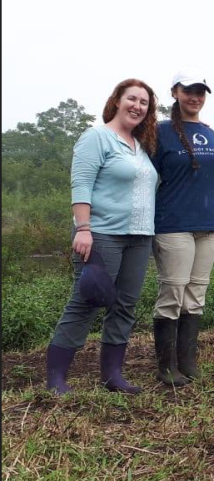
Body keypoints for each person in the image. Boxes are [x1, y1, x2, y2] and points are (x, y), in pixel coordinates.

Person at [45, 79, 159, 395]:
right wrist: (83, 228)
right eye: (132, 99)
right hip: (102, 234)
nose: (137, 106)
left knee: (125, 304)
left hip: (140, 236)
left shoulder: (141, 146)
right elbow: (81, 184)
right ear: (117, 101)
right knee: (85, 301)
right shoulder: (97, 137)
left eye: (144, 102)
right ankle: (56, 378)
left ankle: (113, 376)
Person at [152, 69, 214, 386]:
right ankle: (166, 366)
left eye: (200, 91)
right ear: (175, 93)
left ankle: (188, 362)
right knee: (173, 290)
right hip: (173, 223)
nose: (195, 96)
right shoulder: (159, 131)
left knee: (196, 293)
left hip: (209, 223)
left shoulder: (210, 133)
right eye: (188, 90)